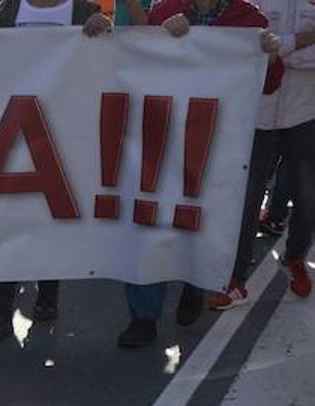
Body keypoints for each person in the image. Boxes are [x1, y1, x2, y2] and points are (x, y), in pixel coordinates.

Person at [115, 0, 279, 345]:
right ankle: (143, 317)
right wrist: (160, 36)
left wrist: (270, 54)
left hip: (217, 143)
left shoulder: (250, 19)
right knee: (149, 220)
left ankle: (195, 281)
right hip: (161, 134)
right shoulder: (164, 11)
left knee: (201, 219)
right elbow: (138, 63)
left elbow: (268, 84)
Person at [0, 0, 112, 341]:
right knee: (3, 222)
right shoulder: (5, 11)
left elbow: (110, 60)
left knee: (49, 216)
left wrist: (104, 33)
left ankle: (48, 292)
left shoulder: (84, 12)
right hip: (10, 129)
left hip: (63, 130)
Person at [209, 0, 311, 309]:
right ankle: (235, 278)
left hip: (306, 111)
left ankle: (295, 257)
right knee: (247, 195)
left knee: (307, 197)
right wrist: (296, 45)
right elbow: (246, 45)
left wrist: (278, 51)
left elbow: (268, 50)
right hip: (258, 112)